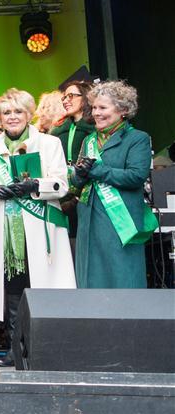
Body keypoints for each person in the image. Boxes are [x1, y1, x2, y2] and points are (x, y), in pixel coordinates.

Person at [0, 89, 76, 366]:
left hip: (41, 227)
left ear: (29, 114)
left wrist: (35, 186)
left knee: (43, 286)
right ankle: (17, 348)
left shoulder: (49, 143)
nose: (12, 117)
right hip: (5, 229)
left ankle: (47, 347)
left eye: (18, 111)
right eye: (7, 113)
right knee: (13, 289)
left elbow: (63, 185)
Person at [72, 81, 154, 288]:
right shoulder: (89, 140)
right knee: (91, 278)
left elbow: (136, 176)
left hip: (119, 219)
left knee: (122, 275)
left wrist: (96, 170)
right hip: (89, 217)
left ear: (123, 110)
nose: (96, 113)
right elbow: (77, 183)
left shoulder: (137, 139)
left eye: (103, 108)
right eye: (94, 108)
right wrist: (79, 175)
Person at [49, 80, 95, 243]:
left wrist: (77, 198)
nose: (66, 100)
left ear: (86, 97)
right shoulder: (57, 131)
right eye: (64, 97)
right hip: (62, 194)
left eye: (71, 96)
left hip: (87, 196)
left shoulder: (96, 128)